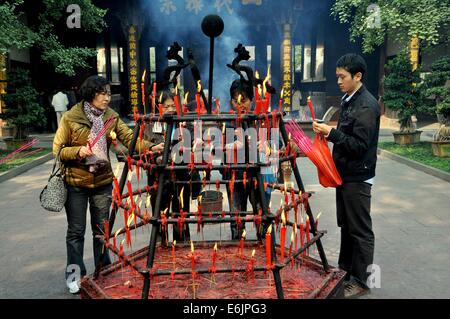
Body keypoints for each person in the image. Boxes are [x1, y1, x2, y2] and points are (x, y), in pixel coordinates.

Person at [53, 75, 162, 294]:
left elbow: (130, 139)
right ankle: (75, 275)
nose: (107, 98)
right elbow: (58, 150)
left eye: (108, 93)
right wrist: (78, 151)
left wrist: (151, 147)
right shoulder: (71, 117)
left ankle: (103, 269)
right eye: (102, 93)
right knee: (76, 232)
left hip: (102, 182)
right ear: (91, 94)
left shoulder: (111, 116)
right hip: (76, 183)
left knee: (101, 231)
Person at [312, 53, 380, 298]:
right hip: (346, 175)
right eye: (337, 76)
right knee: (347, 225)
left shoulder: (366, 105)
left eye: (342, 77)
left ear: (357, 76)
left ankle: (361, 281)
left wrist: (331, 134)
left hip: (358, 176)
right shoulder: (350, 98)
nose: (339, 81)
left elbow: (359, 145)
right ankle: (345, 271)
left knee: (360, 229)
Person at [144, 90, 191, 243]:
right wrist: (156, 155)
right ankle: (159, 245)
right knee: (159, 212)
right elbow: (144, 148)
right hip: (158, 177)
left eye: (173, 105)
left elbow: (192, 145)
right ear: (158, 107)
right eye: (166, 106)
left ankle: (182, 244)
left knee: (181, 213)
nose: (171, 109)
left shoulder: (183, 123)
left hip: (181, 174)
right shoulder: (150, 124)